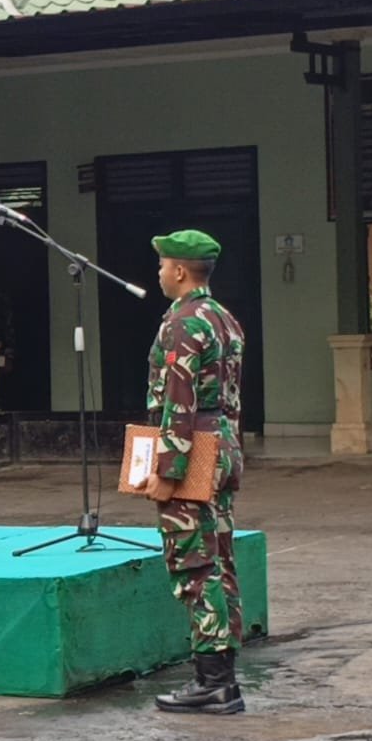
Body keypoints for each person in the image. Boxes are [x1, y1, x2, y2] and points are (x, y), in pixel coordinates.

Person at [138, 229, 246, 715]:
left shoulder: (182, 323)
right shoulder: (223, 318)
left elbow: (178, 401)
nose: (159, 272)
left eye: (163, 265)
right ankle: (222, 677)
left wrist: (167, 469)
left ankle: (212, 683)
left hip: (192, 450)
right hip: (221, 443)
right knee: (218, 560)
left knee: (194, 565)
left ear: (180, 270)